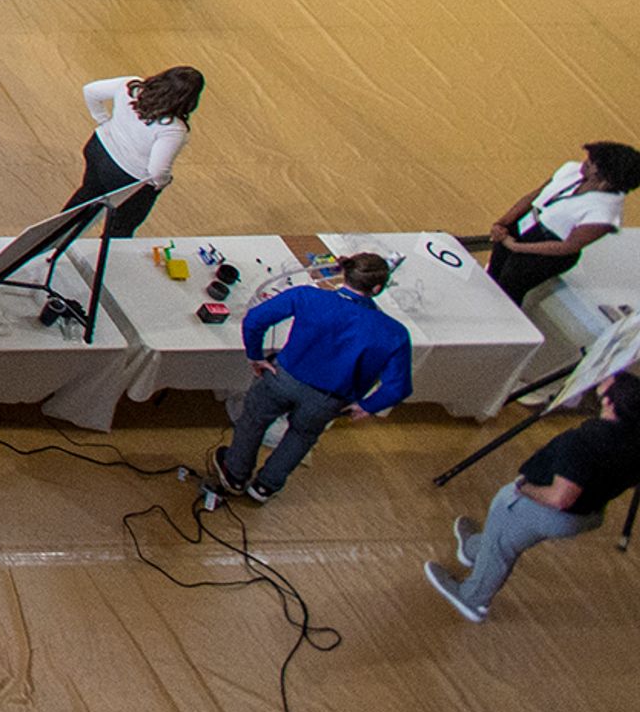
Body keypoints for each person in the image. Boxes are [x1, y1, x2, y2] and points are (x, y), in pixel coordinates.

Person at [429, 368, 640, 623]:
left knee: (502, 546)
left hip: (545, 510)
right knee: (505, 534)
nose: (603, 378)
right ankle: (475, 549)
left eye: (608, 382)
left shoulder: (582, 443)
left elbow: (560, 498)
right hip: (588, 513)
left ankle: (472, 598)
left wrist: (523, 488)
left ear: (609, 402)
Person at [207, 251, 412, 507]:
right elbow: (398, 386)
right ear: (378, 288)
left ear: (345, 273)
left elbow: (255, 320)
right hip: (328, 400)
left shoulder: (306, 296)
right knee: (301, 437)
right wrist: (367, 406)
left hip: (283, 379)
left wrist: (255, 356)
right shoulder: (394, 333)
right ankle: (265, 486)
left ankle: (235, 474)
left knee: (253, 420)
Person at [484, 142, 637, 303]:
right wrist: (502, 223)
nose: (585, 162)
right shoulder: (572, 170)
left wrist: (517, 247)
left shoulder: (605, 213)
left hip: (548, 250)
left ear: (607, 179)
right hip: (525, 225)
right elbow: (535, 195)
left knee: (510, 284)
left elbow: (568, 246)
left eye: (591, 163)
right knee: (493, 272)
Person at [78, 66, 203, 245]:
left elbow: (90, 91)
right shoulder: (174, 128)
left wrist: (103, 120)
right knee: (119, 228)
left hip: (99, 150)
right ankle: (107, 261)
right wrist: (161, 183)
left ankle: (48, 243)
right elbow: (157, 170)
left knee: (85, 198)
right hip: (128, 178)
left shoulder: (131, 87)